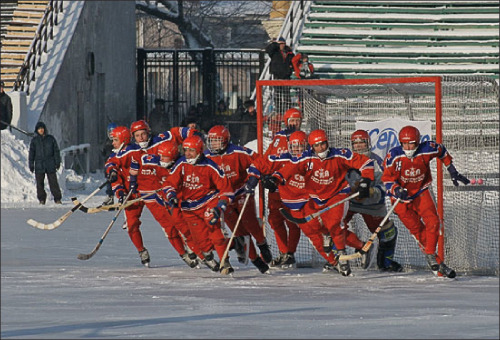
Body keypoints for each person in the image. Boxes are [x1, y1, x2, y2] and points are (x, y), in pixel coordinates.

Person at [269, 129, 375, 276]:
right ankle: (363, 246)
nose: (321, 148)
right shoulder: (305, 158)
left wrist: (366, 181)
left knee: (334, 225)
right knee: (321, 229)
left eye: (323, 144)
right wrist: (276, 179)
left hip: (338, 195)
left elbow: (366, 163)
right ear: (312, 147)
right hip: (316, 199)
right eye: (317, 145)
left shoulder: (339, 154)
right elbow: (288, 168)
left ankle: (342, 258)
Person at [105, 120, 198, 266]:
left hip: (155, 193)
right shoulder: (129, 151)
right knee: (131, 225)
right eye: (137, 135)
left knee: (171, 224)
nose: (141, 138)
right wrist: (114, 178)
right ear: (132, 137)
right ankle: (141, 250)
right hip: (134, 193)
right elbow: (112, 162)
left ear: (148, 132)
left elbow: (177, 133)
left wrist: (191, 133)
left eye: (143, 134)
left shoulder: (160, 140)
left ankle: (185, 252)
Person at [382, 125, 469, 278]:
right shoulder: (393, 155)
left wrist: (451, 169)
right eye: (405, 143)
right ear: (400, 142)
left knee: (434, 223)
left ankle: (430, 255)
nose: (409, 147)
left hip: (421, 192)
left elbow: (441, 151)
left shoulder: (427, 148)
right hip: (401, 199)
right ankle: (436, 262)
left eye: (412, 143)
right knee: (419, 232)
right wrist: (396, 190)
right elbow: (387, 179)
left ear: (418, 142)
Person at [205, 125, 273, 274]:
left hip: (242, 193)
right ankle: (256, 259)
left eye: (217, 141)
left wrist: (253, 177)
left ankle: (262, 243)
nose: (213, 144)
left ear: (225, 140)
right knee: (240, 233)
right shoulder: (207, 158)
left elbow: (259, 161)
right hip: (224, 198)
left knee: (250, 223)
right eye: (212, 141)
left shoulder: (238, 152)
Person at [163, 135, 235, 275]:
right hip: (189, 208)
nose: (188, 154)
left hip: (208, 201)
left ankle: (224, 261)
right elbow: (169, 183)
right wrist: (171, 195)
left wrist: (221, 204)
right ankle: (229, 246)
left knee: (214, 230)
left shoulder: (210, 166)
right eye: (185, 150)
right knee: (201, 242)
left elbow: (226, 188)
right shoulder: (182, 164)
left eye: (191, 150)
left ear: (200, 151)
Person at [344, 130, 403, 272]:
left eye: (362, 142)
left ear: (368, 143)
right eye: (355, 143)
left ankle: (385, 263)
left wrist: (374, 191)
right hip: (349, 202)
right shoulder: (346, 158)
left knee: (388, 232)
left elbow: (385, 184)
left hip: (371, 204)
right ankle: (339, 258)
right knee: (332, 226)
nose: (359, 146)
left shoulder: (377, 161)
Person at [258, 107, 304, 267]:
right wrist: (265, 174)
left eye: (297, 120)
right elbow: (268, 159)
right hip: (276, 186)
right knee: (274, 220)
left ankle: (290, 252)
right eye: (292, 120)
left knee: (293, 221)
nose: (295, 123)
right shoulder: (278, 138)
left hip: (294, 188)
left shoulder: (303, 138)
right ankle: (284, 253)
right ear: (286, 121)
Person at [28, 122, 62, 205]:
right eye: (39, 129)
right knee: (39, 184)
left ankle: (57, 199)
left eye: (42, 128)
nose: (41, 130)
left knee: (53, 183)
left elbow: (56, 151)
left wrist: (57, 162)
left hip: (50, 164)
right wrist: (31, 165)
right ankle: (42, 199)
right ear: (37, 130)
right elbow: (31, 154)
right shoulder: (34, 141)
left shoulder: (51, 139)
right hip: (39, 165)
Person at [265, 37, 295, 114]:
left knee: (286, 95)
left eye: (283, 43)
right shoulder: (275, 52)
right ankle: (279, 111)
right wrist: (274, 43)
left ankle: (288, 111)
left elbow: (293, 62)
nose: (282, 45)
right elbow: (268, 50)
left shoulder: (289, 53)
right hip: (277, 76)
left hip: (286, 76)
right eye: (280, 44)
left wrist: (290, 69)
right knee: (277, 94)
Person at [101, 122, 117, 206]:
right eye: (110, 132)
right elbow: (103, 153)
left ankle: (124, 196)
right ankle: (110, 196)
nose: (111, 134)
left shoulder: (118, 142)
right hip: (108, 166)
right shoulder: (106, 142)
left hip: (116, 166)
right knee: (109, 181)